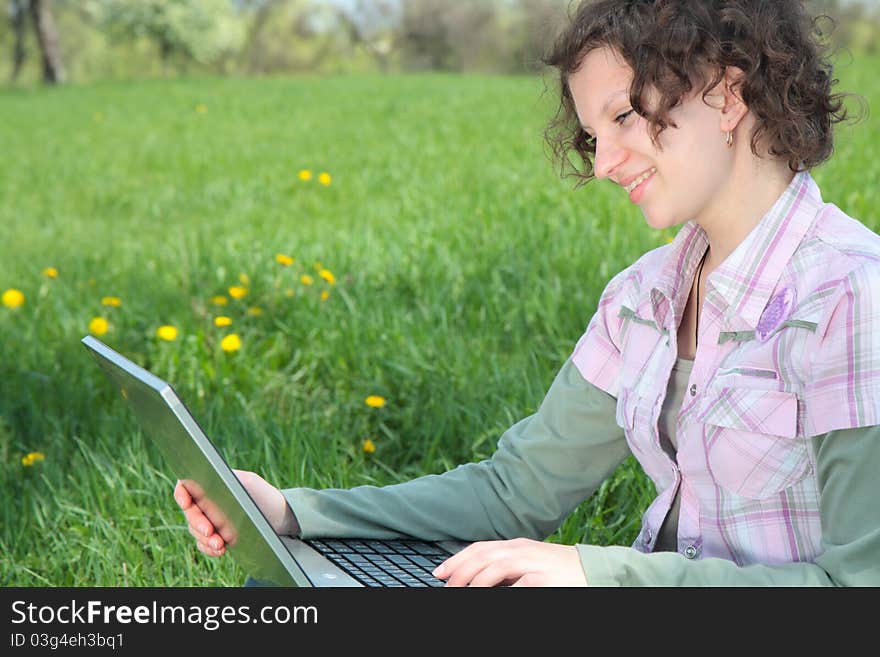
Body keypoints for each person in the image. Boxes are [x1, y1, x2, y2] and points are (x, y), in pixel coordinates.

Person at [175, 0, 880, 586]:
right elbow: (514, 490)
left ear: (726, 95)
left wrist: (593, 572)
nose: (603, 163)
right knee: (288, 585)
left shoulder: (851, 295)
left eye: (623, 117)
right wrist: (295, 512)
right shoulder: (645, 297)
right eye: (592, 134)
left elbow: (857, 590)